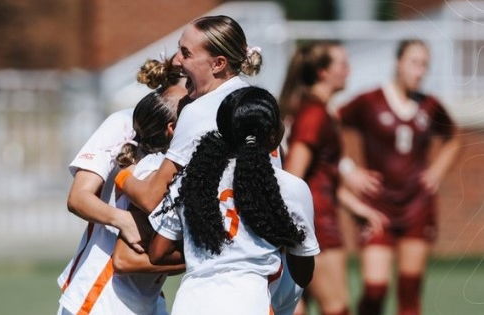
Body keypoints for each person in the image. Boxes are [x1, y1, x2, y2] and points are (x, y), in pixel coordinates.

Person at [148, 87, 320, 315]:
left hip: (190, 303)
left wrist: (204, 252)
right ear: (273, 134)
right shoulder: (290, 187)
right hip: (249, 303)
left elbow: (158, 253)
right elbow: (302, 274)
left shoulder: (190, 180)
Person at [338, 39, 462, 315]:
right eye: (414, 63)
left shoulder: (430, 106)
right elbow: (330, 124)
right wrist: (349, 170)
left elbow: (454, 139)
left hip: (417, 205)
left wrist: (438, 170)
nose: (420, 71)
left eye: (424, 66)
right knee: (375, 290)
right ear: (398, 63)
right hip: (377, 206)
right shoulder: (369, 101)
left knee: (409, 293)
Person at [57, 57, 186, 315]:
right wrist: (123, 220)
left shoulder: (191, 138)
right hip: (99, 297)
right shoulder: (125, 123)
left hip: (148, 299)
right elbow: (78, 197)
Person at [281, 41, 387, 315]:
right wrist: (296, 233)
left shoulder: (321, 112)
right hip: (316, 227)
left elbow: (323, 176)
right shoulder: (314, 115)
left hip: (319, 221)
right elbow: (293, 177)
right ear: (322, 72)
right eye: (342, 64)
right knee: (336, 308)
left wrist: (358, 209)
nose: (348, 70)